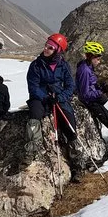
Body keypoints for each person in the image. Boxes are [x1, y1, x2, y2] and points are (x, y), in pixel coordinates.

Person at [25, 33, 81, 181]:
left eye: (50, 47)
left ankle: (76, 164)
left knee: (69, 126)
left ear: (57, 50)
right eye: (46, 45)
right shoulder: (36, 65)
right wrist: (45, 97)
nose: (46, 49)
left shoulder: (63, 65)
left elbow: (70, 85)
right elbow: (33, 86)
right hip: (40, 98)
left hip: (59, 98)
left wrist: (61, 97)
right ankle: (32, 149)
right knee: (34, 115)